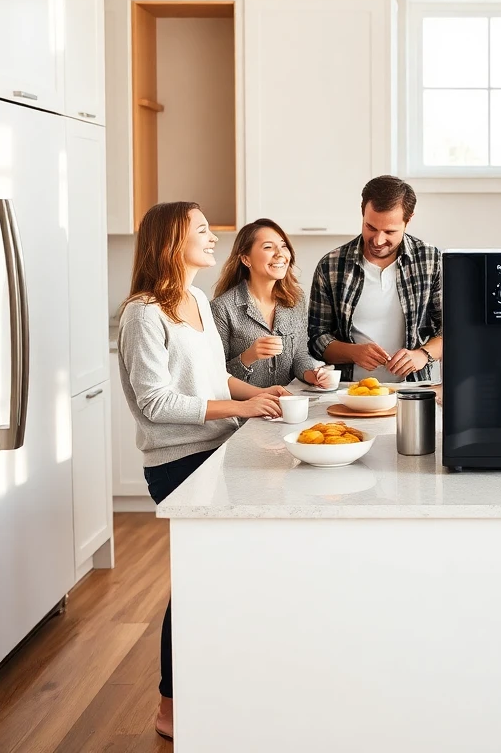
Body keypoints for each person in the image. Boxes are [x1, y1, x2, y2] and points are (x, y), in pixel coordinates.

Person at [116, 201, 288, 740]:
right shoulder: (144, 313)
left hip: (219, 451)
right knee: (194, 580)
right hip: (178, 462)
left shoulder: (193, 298)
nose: (214, 238)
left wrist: (259, 393)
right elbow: (156, 403)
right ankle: (171, 703)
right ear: (171, 242)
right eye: (201, 230)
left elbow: (214, 379)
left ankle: (222, 680)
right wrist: (240, 409)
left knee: (222, 574)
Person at [308, 175, 442, 384]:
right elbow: (316, 337)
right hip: (349, 392)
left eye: (390, 231)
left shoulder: (431, 260)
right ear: (362, 214)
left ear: (409, 220)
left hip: (414, 390)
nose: (378, 240)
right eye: (370, 227)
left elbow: (454, 328)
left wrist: (422, 354)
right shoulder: (331, 266)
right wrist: (352, 352)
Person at [211, 218, 331, 390]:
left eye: (283, 246)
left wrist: (313, 375)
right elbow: (215, 376)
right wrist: (248, 356)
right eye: (268, 247)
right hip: (246, 413)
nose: (280, 254)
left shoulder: (295, 300)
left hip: (287, 407)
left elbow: (300, 356)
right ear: (246, 259)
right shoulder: (222, 308)